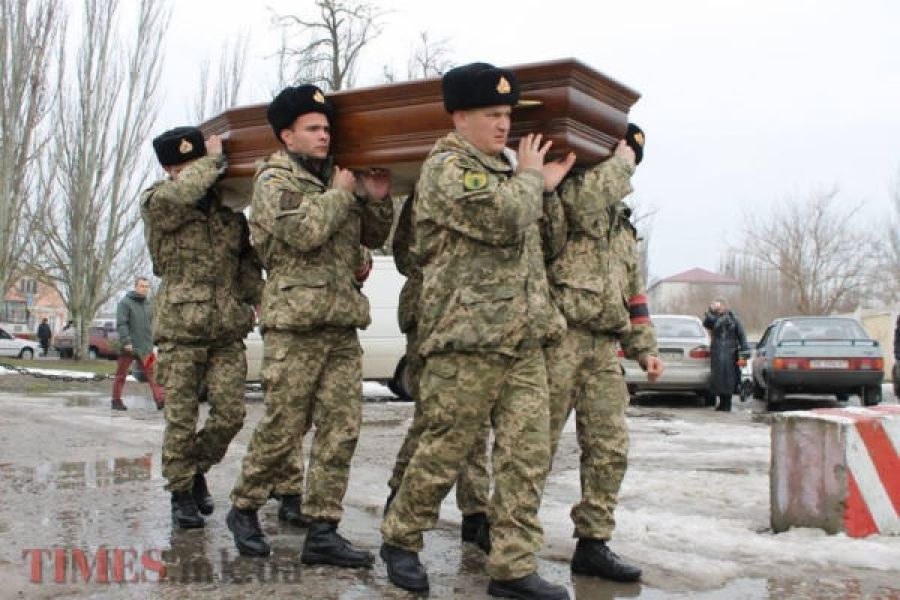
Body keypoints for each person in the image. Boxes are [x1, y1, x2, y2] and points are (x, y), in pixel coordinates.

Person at [379, 62, 575, 600]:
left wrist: (544, 188)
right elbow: (503, 218)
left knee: (525, 456)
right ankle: (400, 538)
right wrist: (532, 179)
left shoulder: (510, 174)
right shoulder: (447, 168)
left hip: (524, 337)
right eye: (492, 114)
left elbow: (548, 244)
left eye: (507, 114)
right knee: (445, 448)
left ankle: (512, 566)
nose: (504, 124)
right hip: (468, 339)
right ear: (460, 117)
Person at [226, 84, 393, 569]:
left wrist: (376, 199)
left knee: (342, 430)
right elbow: (304, 232)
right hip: (295, 326)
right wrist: (341, 194)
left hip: (340, 323)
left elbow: (372, 237)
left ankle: (323, 529)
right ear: (287, 135)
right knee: (284, 427)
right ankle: (244, 507)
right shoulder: (273, 180)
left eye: (327, 128)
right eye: (313, 128)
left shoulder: (335, 178)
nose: (324, 135)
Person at [545, 123, 663, 583]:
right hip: (560, 339)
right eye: (622, 159)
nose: (627, 170)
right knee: (534, 447)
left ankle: (593, 543)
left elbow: (633, 294)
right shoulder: (570, 190)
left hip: (603, 348)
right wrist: (620, 164)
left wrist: (644, 349)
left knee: (608, 448)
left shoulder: (622, 225)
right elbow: (579, 204)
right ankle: (508, 536)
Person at [141, 126, 263, 529]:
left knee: (230, 415)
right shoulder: (159, 202)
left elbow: (245, 266)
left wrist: (260, 297)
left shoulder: (228, 216)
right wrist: (211, 161)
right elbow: (184, 192)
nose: (199, 172)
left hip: (226, 329)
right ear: (170, 170)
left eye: (201, 163)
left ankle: (193, 469)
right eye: (187, 165)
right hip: (180, 330)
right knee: (181, 419)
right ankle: (180, 494)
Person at [383, 193, 491, 553]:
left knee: (475, 415)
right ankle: (400, 495)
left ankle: (476, 511)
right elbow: (404, 254)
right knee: (434, 414)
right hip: (430, 311)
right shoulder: (430, 189)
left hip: (476, 313)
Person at [111, 277, 166, 410]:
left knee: (154, 374)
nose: (144, 289)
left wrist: (153, 342)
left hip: (145, 348)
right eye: (142, 286)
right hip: (128, 347)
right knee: (121, 375)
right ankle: (116, 401)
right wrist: (126, 341)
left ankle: (160, 400)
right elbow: (122, 323)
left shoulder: (148, 305)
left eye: (147, 286)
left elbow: (150, 326)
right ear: (135, 287)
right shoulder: (125, 303)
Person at [703, 298, 748, 412]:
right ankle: (722, 402)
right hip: (717, 353)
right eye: (718, 305)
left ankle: (727, 403)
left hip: (731, 354)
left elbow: (742, 335)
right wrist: (711, 310)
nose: (720, 307)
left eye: (721, 305)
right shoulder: (714, 318)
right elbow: (706, 323)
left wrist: (744, 351)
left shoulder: (734, 319)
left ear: (726, 306)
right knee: (718, 379)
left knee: (729, 379)